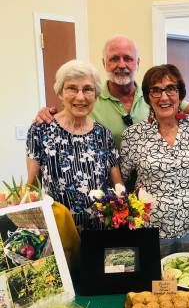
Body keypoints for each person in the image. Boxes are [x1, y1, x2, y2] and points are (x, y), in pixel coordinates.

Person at [35, 35, 189, 149]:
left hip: (151, 187)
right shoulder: (90, 100)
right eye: (114, 59)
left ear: (137, 63)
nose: (121, 65)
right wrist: (46, 113)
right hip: (108, 191)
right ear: (104, 63)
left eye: (128, 58)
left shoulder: (156, 96)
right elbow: (65, 116)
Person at [120, 64, 189, 256]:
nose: (164, 97)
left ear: (180, 94)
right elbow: (123, 179)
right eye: (155, 90)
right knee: (155, 283)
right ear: (148, 97)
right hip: (151, 228)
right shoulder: (133, 135)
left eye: (171, 89)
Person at [26, 60, 123, 231]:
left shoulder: (103, 134)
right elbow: (33, 185)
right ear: (60, 93)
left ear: (96, 94)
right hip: (60, 230)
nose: (80, 97)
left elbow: (118, 186)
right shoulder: (40, 130)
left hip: (100, 233)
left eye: (87, 89)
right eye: (72, 88)